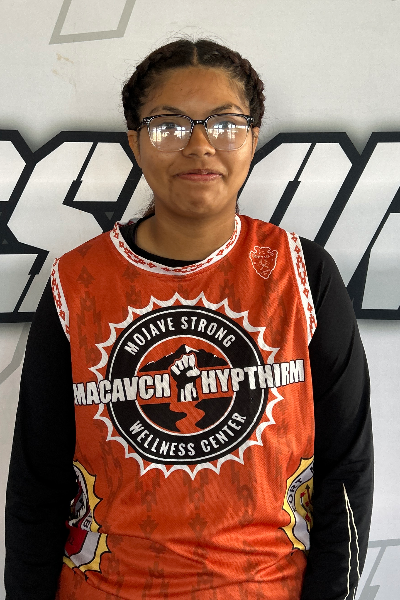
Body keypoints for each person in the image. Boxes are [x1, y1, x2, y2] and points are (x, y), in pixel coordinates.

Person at [5, 38, 373, 600]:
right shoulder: (76, 281)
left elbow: (346, 467)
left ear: (253, 138)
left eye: (225, 124)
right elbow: (38, 480)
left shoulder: (302, 273)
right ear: (135, 141)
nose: (199, 145)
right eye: (169, 125)